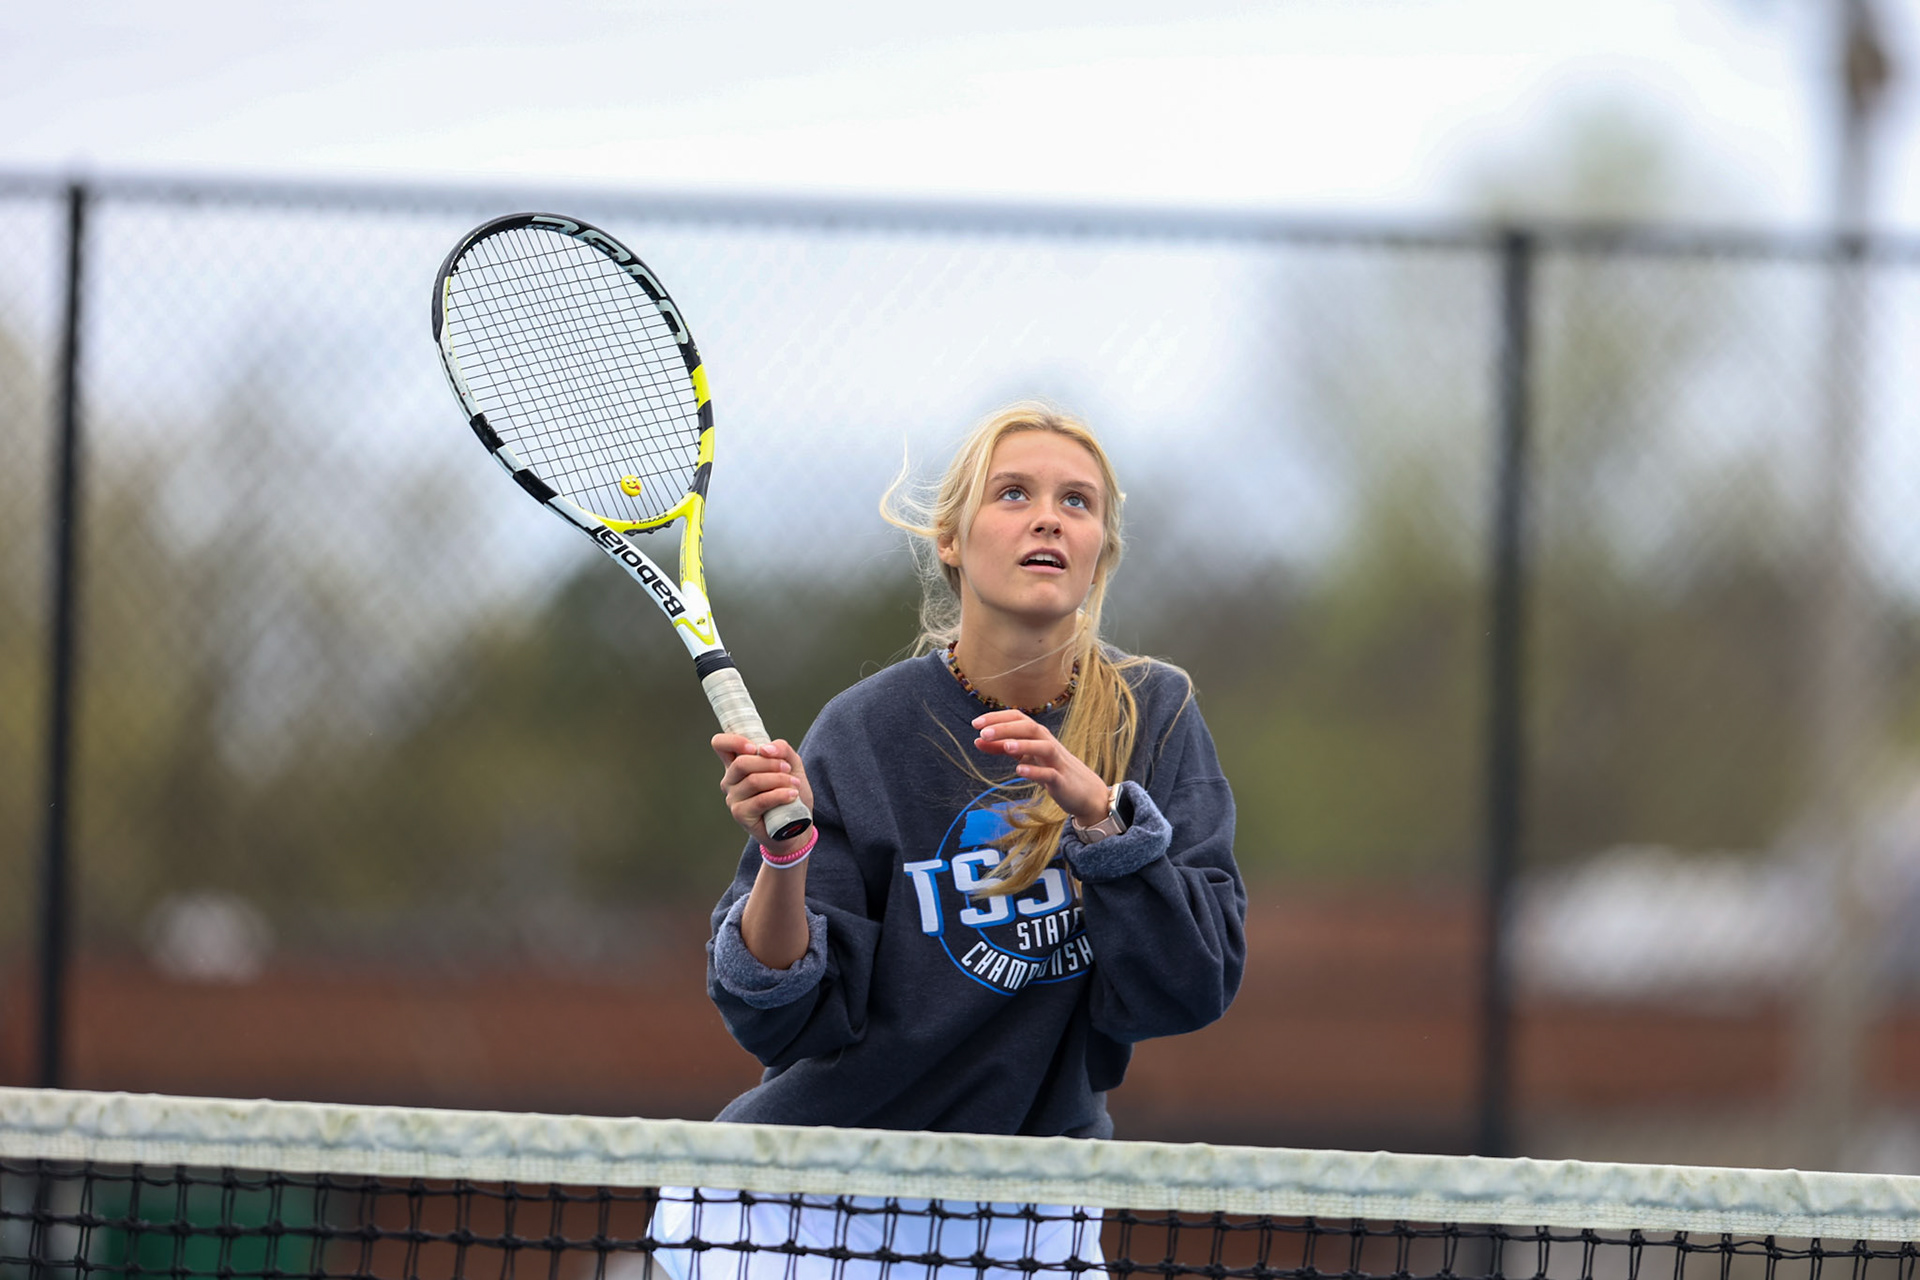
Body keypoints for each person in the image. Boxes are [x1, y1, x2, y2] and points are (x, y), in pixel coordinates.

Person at [650, 402, 1245, 1280]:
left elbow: (1190, 984)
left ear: (1100, 555)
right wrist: (784, 861)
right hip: (811, 1205)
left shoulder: (1157, 718)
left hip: (1028, 1208)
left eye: (1077, 503)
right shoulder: (864, 730)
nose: (1049, 516)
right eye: (1014, 493)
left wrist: (1102, 821)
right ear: (953, 542)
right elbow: (784, 1021)